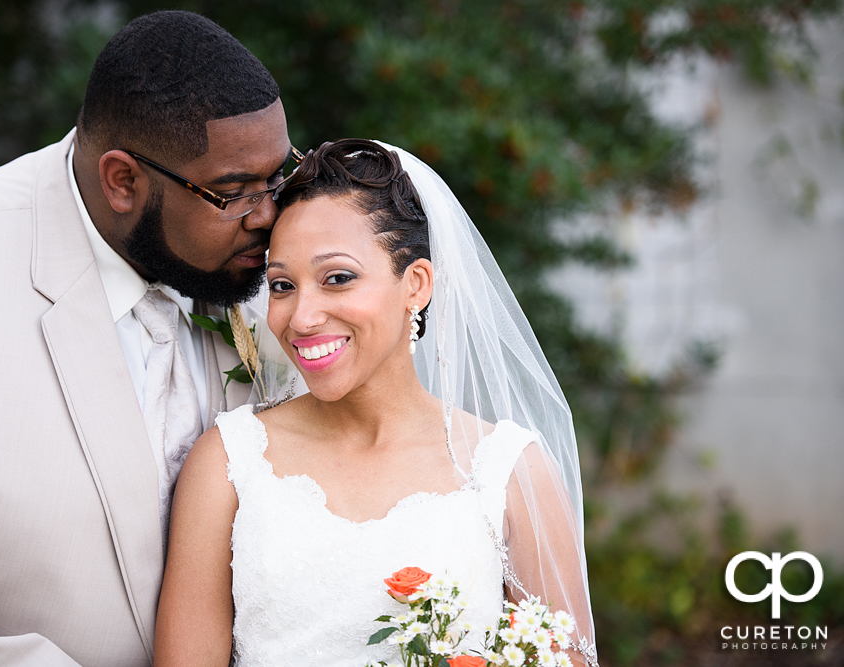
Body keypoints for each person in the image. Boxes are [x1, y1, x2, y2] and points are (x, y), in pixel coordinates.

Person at [0, 10, 297, 667]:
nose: (269, 215)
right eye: (232, 193)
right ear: (122, 181)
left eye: (277, 177)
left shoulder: (283, 278)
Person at [155, 139, 599, 667]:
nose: (301, 318)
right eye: (281, 285)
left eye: (337, 278)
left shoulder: (508, 471)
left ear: (416, 284)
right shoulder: (228, 462)